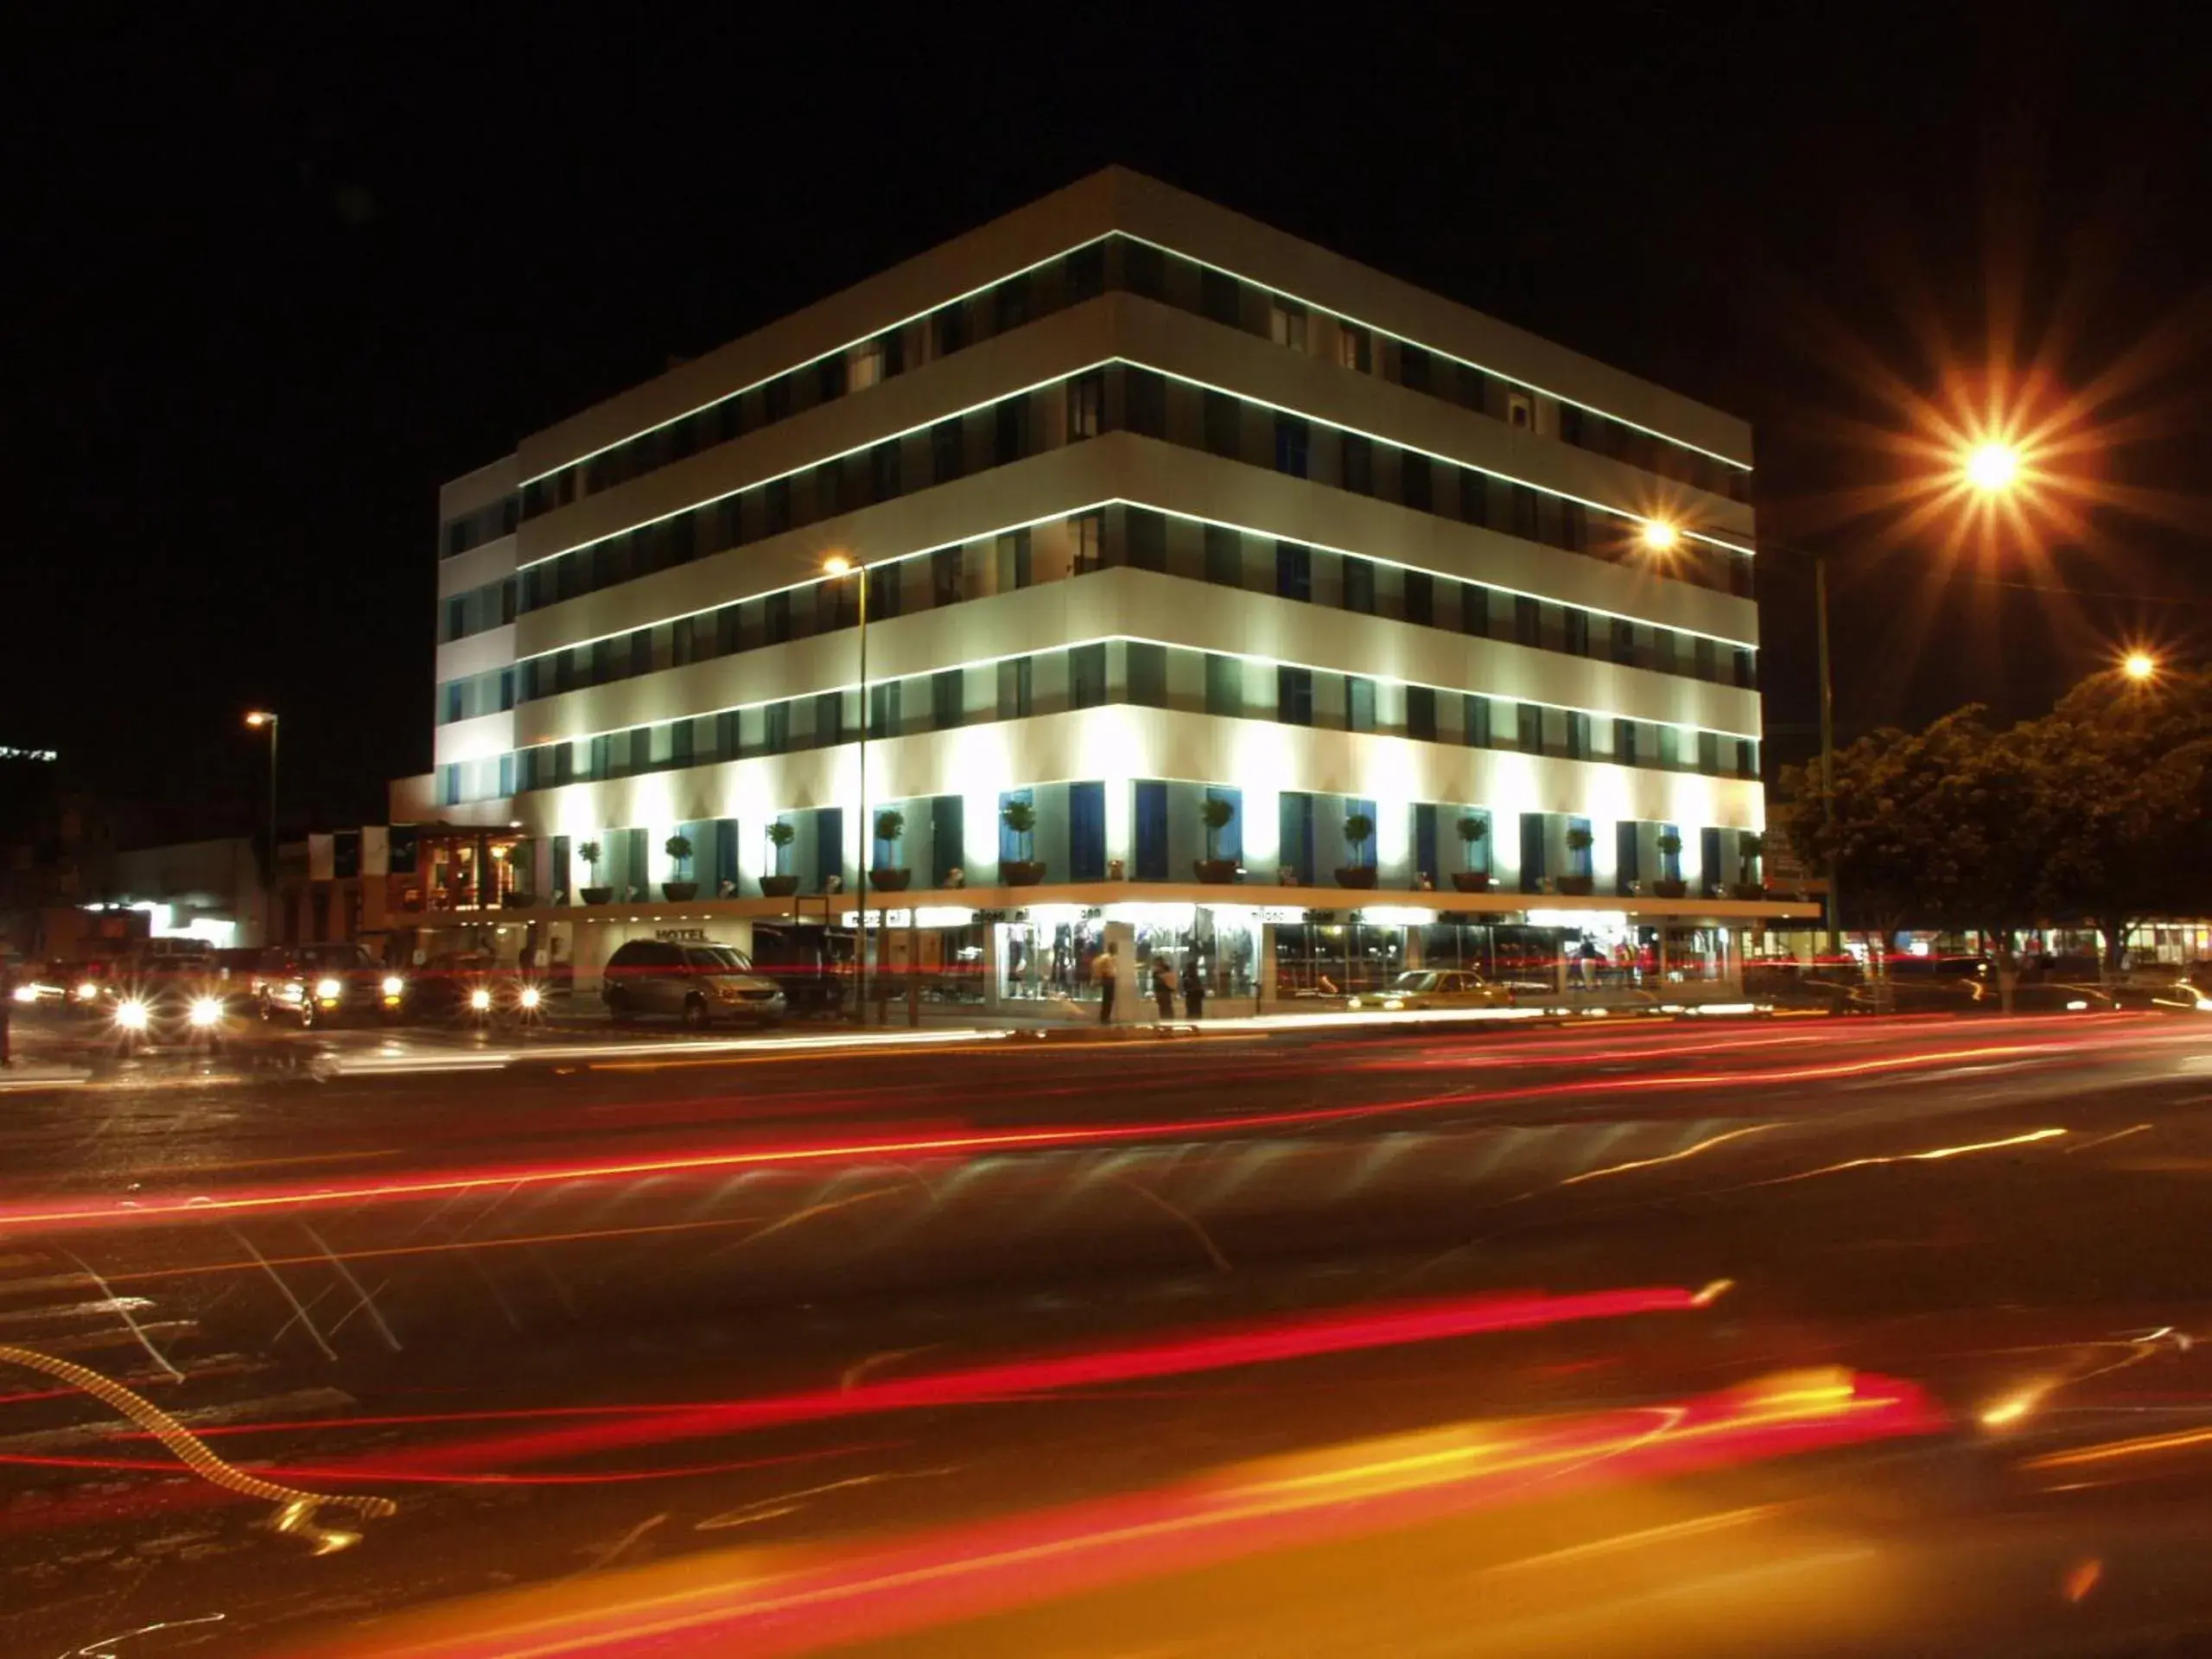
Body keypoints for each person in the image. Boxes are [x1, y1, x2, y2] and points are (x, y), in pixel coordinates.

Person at [1095, 940, 1120, 1024]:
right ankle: (1104, 1017)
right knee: (1107, 999)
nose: (1117, 949)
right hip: (1107, 979)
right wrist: (1100, 975)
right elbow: (1096, 964)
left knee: (1110, 999)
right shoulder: (1105, 957)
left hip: (1111, 979)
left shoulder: (1113, 958)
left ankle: (1106, 1017)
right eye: (1115, 948)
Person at [1152, 955, 1178, 1020]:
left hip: (1163, 991)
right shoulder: (1161, 970)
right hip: (1163, 992)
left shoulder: (1159, 971)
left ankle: (1167, 1022)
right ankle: (1166, 1022)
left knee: (1165, 1008)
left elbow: (1160, 981)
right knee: (1165, 1008)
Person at [1183, 954, 1206, 1020]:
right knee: (1195, 1013)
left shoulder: (1187, 976)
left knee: (1191, 1013)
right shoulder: (1193, 977)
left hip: (1191, 997)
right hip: (1194, 998)